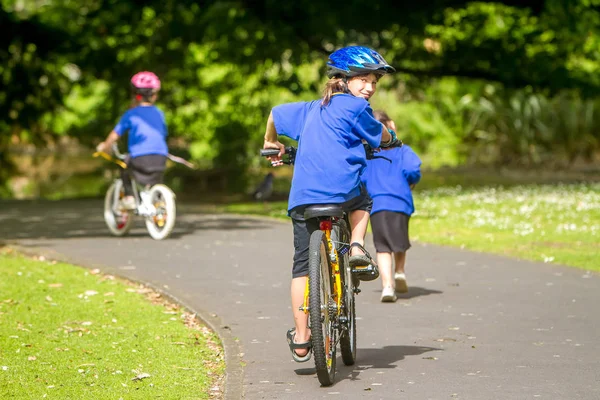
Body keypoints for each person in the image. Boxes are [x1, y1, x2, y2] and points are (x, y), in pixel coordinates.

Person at [262, 46, 399, 362]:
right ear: (344, 80)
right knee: (363, 198)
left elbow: (275, 114)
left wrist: (271, 143)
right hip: (342, 192)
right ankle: (355, 247)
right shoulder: (356, 108)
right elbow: (379, 135)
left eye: (374, 82)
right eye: (363, 80)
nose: (369, 87)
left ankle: (300, 339)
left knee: (300, 265)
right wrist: (392, 139)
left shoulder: (309, 108)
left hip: (303, 198)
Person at [361, 109, 422, 302]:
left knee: (383, 247)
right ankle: (400, 271)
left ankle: (387, 286)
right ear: (391, 126)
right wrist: (411, 180)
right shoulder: (403, 150)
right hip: (400, 202)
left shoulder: (368, 154)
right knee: (399, 240)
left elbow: (360, 177)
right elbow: (413, 169)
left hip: (377, 203)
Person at [96, 71, 168, 210]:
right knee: (154, 179)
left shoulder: (131, 114)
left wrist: (105, 147)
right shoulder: (159, 113)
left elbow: (114, 136)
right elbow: (163, 133)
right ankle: (158, 200)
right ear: (154, 96)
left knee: (123, 165)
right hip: (160, 157)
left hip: (140, 158)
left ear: (135, 95)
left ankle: (129, 197)